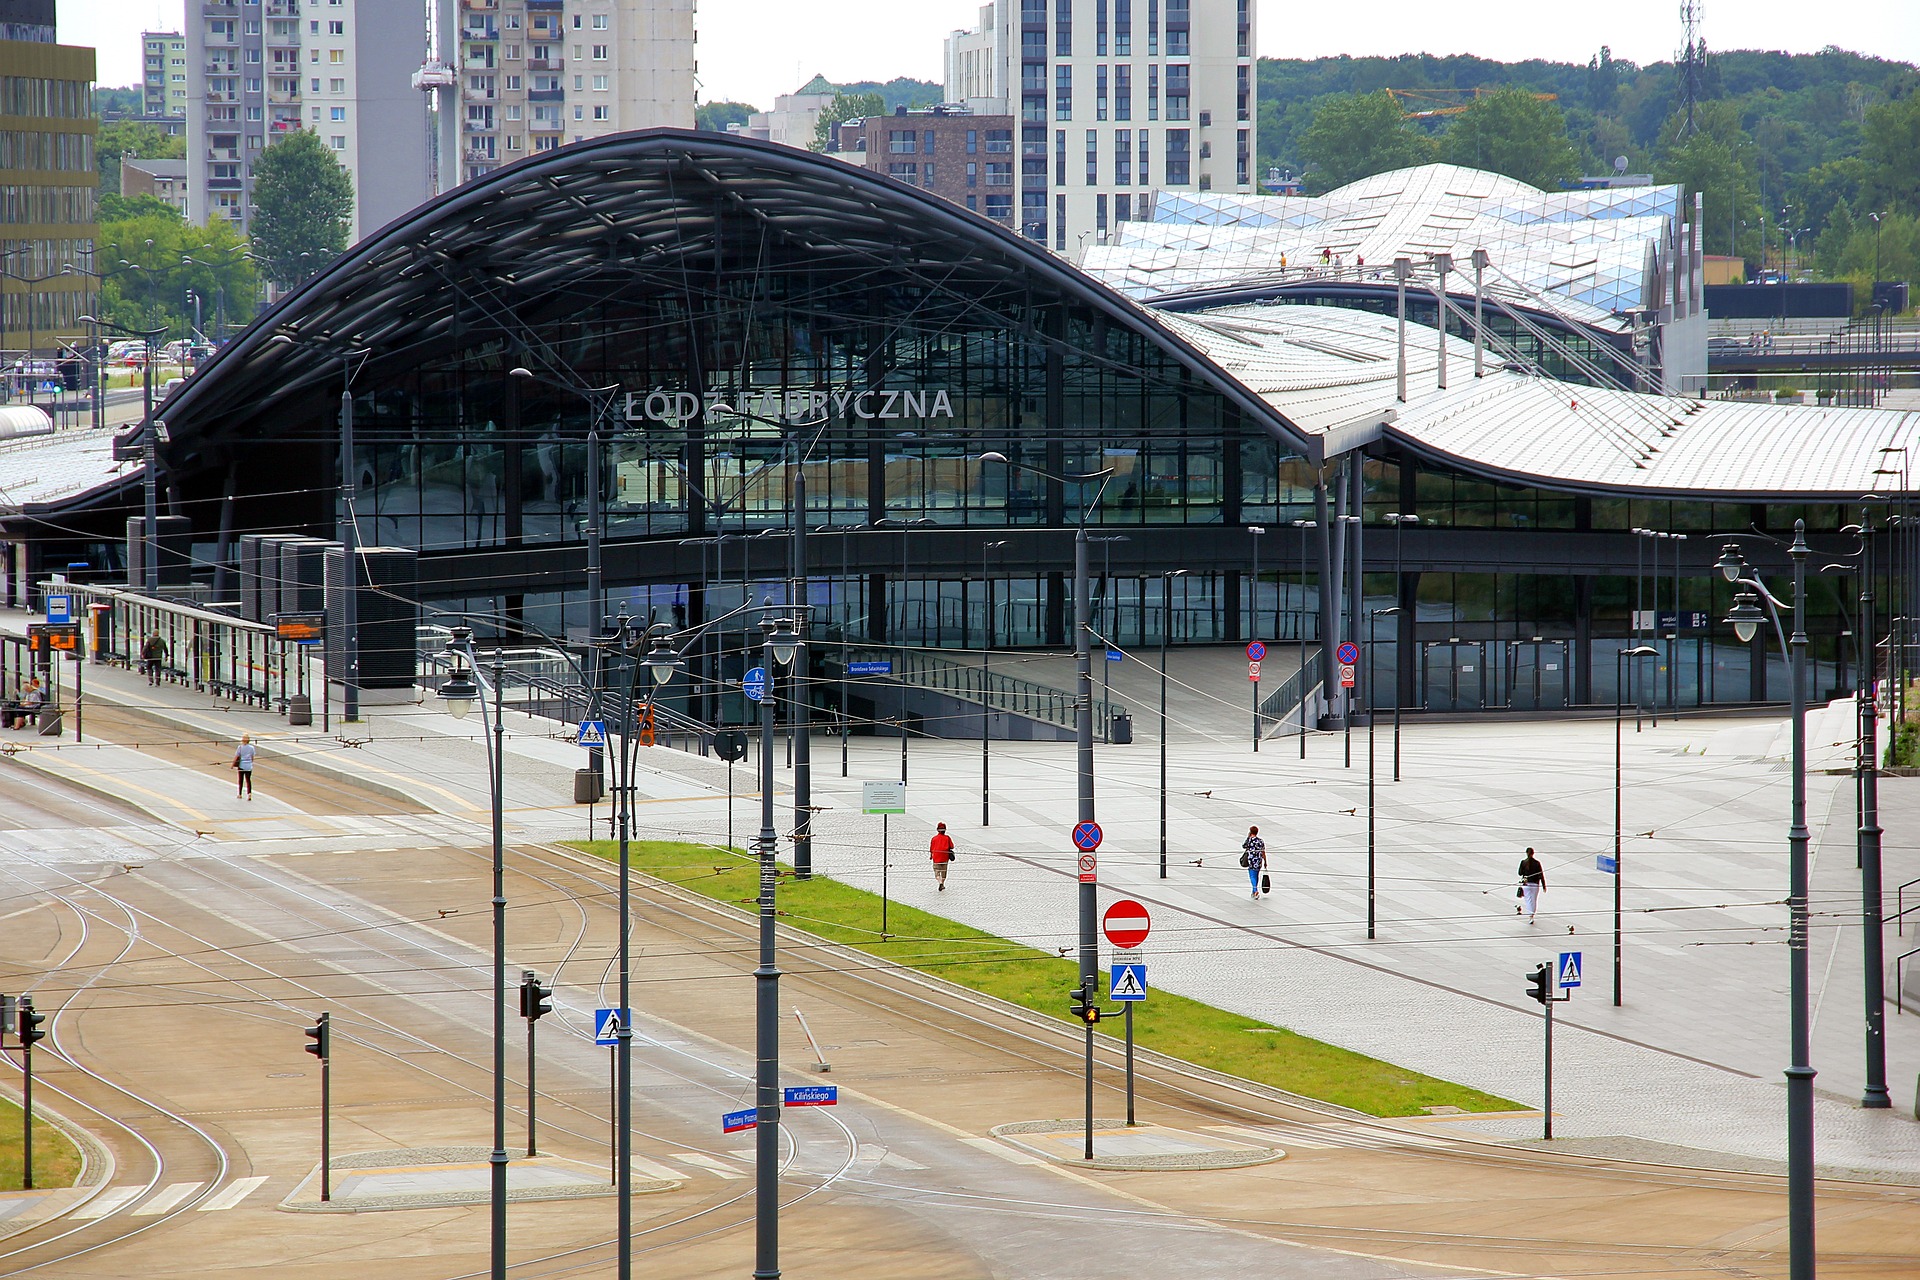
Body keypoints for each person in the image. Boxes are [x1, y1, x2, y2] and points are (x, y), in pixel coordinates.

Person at [1517, 847, 1546, 921]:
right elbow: (1541, 875)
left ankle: (1530, 914)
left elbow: (1520, 873)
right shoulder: (1537, 863)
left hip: (1526, 884)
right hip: (1535, 884)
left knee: (1528, 900)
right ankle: (1532, 914)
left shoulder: (1523, 862)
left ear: (1526, 853)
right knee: (1533, 900)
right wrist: (1544, 886)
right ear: (1533, 853)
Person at [1241, 825, 1267, 900]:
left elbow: (1244, 846)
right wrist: (1265, 861)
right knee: (1256, 875)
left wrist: (1248, 837)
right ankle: (1253, 891)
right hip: (1258, 861)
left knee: (1252, 876)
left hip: (1251, 860)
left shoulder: (1250, 840)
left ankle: (1255, 890)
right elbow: (1263, 852)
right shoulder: (1260, 841)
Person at [929, 822, 955, 891]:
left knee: (937, 872)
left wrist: (931, 856)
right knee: (944, 872)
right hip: (945, 858)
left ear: (937, 830)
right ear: (945, 830)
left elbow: (931, 848)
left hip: (936, 858)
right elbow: (952, 846)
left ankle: (940, 882)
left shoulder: (934, 838)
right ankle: (942, 884)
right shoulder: (947, 838)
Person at [233, 733, 256, 800]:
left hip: (241, 765)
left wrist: (233, 764)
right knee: (248, 780)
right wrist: (251, 763)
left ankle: (240, 794)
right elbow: (252, 757)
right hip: (249, 766)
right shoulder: (252, 748)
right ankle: (249, 794)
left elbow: (237, 756)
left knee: (241, 780)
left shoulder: (240, 747)